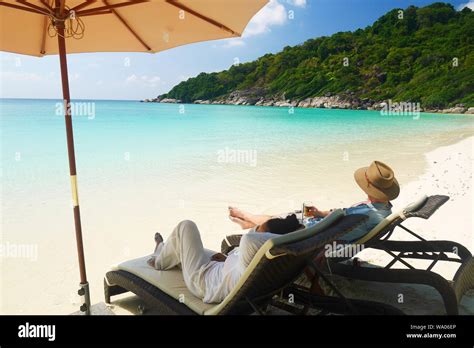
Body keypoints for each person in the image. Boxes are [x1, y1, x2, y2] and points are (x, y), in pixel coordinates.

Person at [229, 160, 400, 243]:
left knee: (281, 219)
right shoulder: (382, 209)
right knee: (296, 212)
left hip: (313, 232)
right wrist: (319, 212)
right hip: (322, 223)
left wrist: (317, 218)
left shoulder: (368, 214)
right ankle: (249, 220)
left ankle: (248, 218)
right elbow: (342, 216)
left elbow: (339, 225)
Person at [147, 214, 303, 304]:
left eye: (262, 228)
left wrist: (265, 228)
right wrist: (229, 258)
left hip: (202, 281)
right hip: (218, 268)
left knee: (186, 226)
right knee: (183, 246)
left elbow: (251, 237)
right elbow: (258, 239)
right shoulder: (272, 254)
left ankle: (159, 260)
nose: (258, 228)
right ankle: (163, 248)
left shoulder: (253, 243)